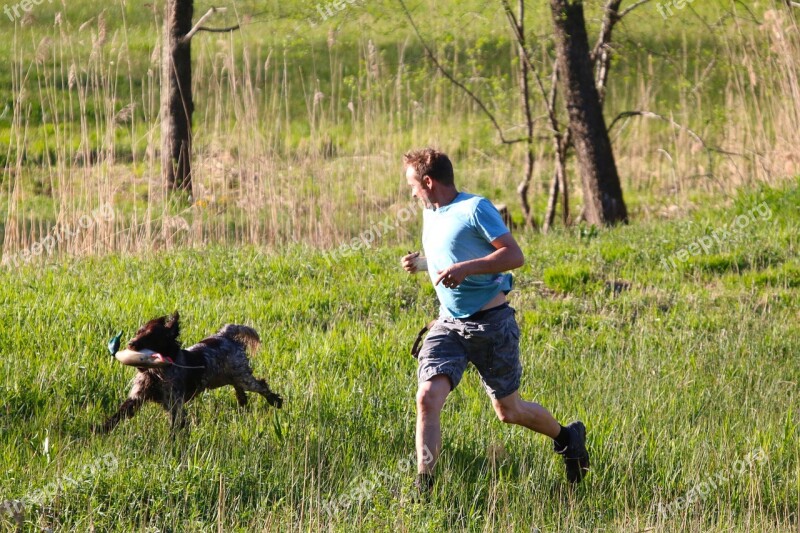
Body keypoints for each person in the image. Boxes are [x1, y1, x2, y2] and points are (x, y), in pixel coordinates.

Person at [400, 148, 589, 493]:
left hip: (491, 323)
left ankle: (568, 437)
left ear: (428, 182)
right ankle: (423, 489)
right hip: (448, 324)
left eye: (413, 185)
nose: (411, 192)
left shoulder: (475, 207)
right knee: (427, 397)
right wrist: (425, 264)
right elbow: (455, 253)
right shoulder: (432, 212)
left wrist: (465, 269)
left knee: (509, 411)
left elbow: (514, 255)